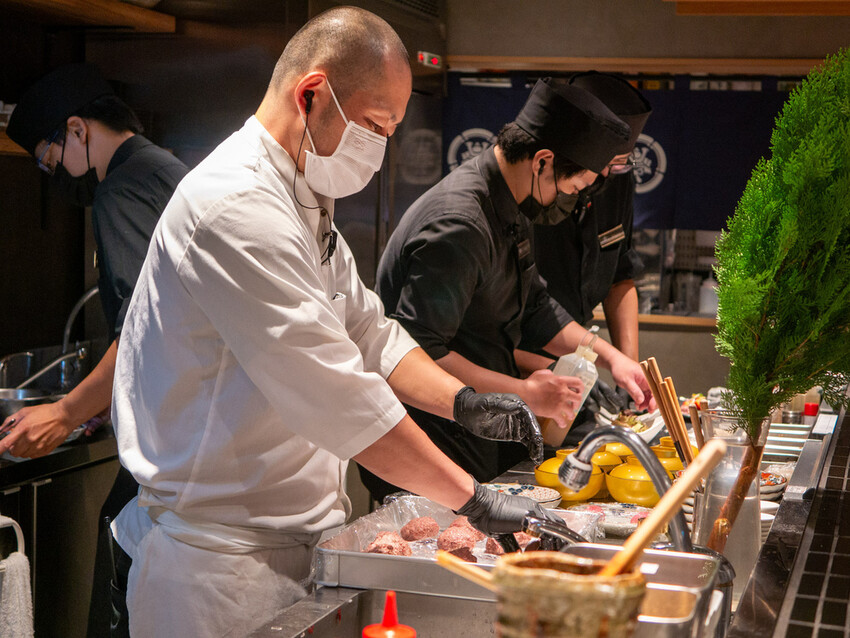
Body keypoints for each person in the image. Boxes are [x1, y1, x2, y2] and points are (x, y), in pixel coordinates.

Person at [107, 7, 551, 636]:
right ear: (311, 94)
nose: (381, 147)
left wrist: (465, 402)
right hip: (219, 574)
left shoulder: (301, 198)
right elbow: (338, 395)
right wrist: (471, 498)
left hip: (291, 547)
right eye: (375, 126)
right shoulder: (238, 207)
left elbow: (369, 331)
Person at [360, 78, 655, 504]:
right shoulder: (459, 224)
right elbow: (418, 351)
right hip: (428, 440)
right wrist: (525, 393)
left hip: (476, 427)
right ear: (542, 162)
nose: (571, 200)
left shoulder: (510, 204)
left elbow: (534, 307)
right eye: (572, 189)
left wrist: (613, 358)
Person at [1, 62, 189, 636]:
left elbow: (140, 326)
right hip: (197, 433)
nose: (52, 173)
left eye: (47, 158)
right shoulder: (166, 169)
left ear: (77, 130)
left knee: (121, 578)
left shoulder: (122, 188)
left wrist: (64, 412)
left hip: (170, 442)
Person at [521, 72, 653, 439]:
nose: (608, 174)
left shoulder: (615, 182)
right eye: (605, 162)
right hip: (518, 374)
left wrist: (627, 369)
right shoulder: (532, 189)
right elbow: (525, 314)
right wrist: (581, 366)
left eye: (621, 164)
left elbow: (619, 276)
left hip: (575, 365)